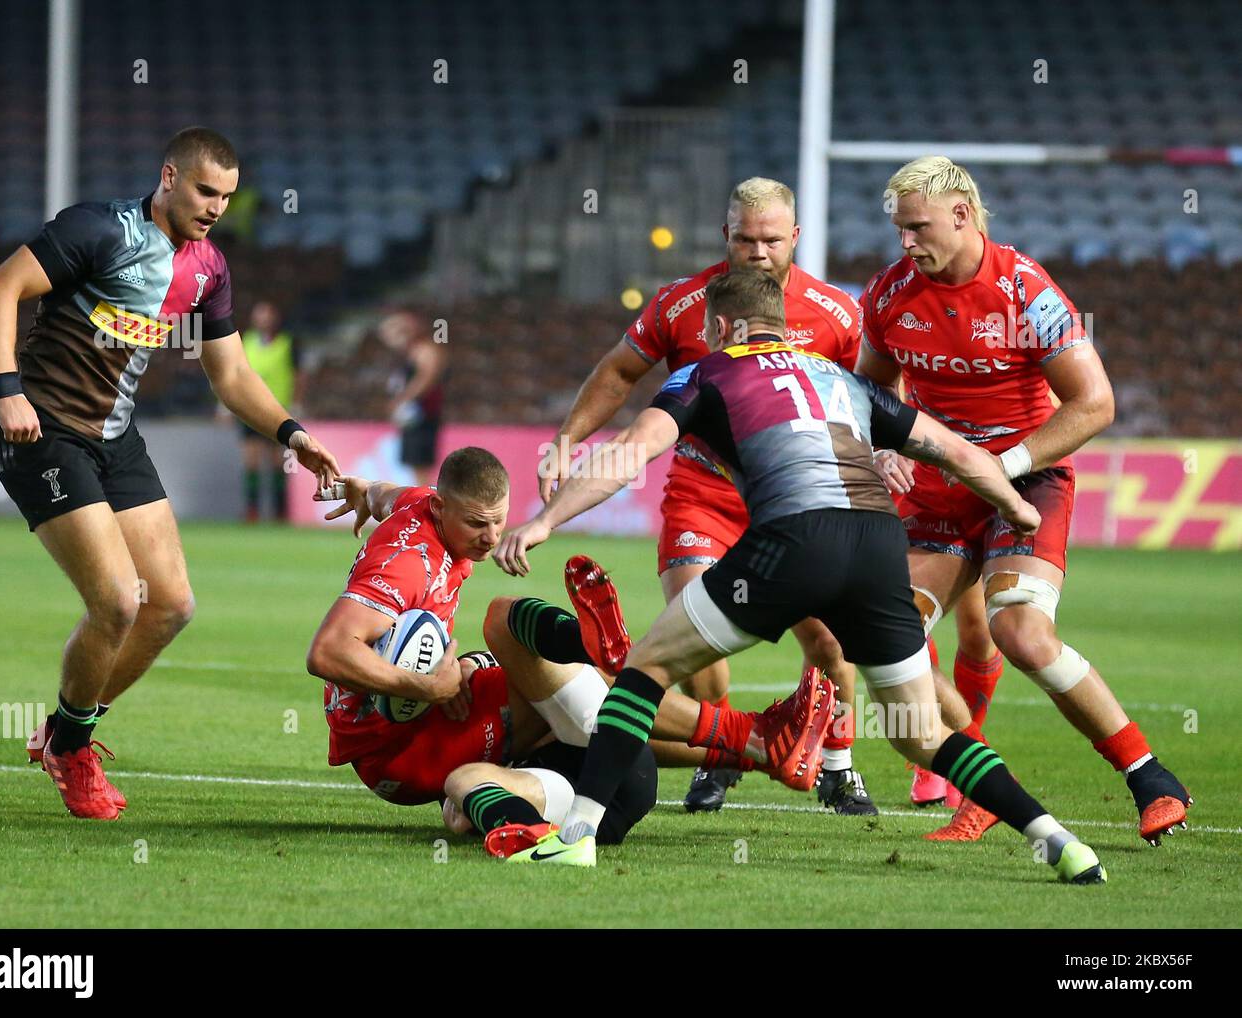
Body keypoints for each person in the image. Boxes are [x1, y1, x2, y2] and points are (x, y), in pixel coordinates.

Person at [494, 268, 1106, 885]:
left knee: (642, 672)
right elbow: (956, 451)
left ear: (722, 327)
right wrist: (1018, 507)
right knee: (920, 732)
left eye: (708, 329)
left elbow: (632, 449)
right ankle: (1059, 841)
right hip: (875, 545)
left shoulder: (706, 373)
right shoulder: (841, 378)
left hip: (793, 541)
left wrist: (548, 519)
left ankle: (578, 837)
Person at [0, 126, 340, 820]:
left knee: (170, 605)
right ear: (169, 176)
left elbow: (229, 374)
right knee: (116, 601)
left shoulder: (208, 270)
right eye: (206, 191)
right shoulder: (97, 229)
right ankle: (74, 753)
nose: (216, 208)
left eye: (228, 198)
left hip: (116, 442)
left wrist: (293, 434)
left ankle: (65, 730)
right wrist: (6, 387)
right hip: (45, 433)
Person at [856, 156, 1191, 845]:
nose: (906, 245)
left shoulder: (1024, 289)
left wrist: (999, 466)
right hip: (940, 488)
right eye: (898, 231)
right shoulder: (890, 295)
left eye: (917, 228)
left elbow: (1094, 404)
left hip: (1027, 479)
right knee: (891, 637)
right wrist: (884, 445)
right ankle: (982, 786)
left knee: (1020, 632)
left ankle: (1148, 775)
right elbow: (869, 392)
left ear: (962, 214)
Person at [542, 176, 875, 815]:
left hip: (796, 495)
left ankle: (839, 764)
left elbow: (872, 392)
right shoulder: (679, 305)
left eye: (772, 240)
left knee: (829, 640)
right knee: (698, 626)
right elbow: (619, 370)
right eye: (745, 239)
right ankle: (722, 757)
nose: (757, 252)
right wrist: (567, 438)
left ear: (796, 238)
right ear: (726, 235)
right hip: (704, 493)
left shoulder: (836, 314)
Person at [306, 451, 827, 836]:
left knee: (489, 756)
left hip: (578, 768)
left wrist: (361, 490)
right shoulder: (405, 564)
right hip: (393, 738)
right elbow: (327, 652)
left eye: (498, 521)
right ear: (441, 508)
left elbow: (383, 494)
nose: (490, 538)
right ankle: (750, 737)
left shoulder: (422, 507)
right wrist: (425, 685)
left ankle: (746, 742)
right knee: (519, 637)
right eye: (476, 525)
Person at [239, 300, 301, 522]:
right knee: (251, 461)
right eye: (260, 314)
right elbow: (237, 372)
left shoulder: (287, 343)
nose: (263, 318)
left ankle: (280, 512)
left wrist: (296, 403)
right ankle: (252, 511)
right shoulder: (246, 341)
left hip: (278, 409)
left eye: (268, 314)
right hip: (250, 407)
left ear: (276, 318)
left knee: (278, 462)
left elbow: (298, 375)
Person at [377, 310, 446, 486]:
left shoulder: (427, 350)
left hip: (424, 416)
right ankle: (420, 499)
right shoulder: (410, 354)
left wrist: (403, 399)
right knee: (414, 464)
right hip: (413, 417)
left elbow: (426, 378)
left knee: (421, 465)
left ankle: (425, 502)